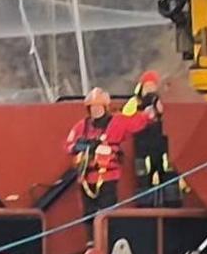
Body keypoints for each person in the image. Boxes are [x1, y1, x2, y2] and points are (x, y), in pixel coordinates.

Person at [63, 87, 156, 239]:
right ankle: (92, 244)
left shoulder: (116, 123)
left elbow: (134, 123)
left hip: (108, 177)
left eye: (98, 106)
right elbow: (68, 146)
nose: (95, 110)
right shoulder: (82, 127)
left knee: (108, 214)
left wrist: (150, 114)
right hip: (86, 180)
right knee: (88, 216)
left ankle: (107, 245)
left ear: (105, 107)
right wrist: (84, 146)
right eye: (92, 107)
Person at [121, 71, 180, 207]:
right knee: (143, 181)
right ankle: (145, 210)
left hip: (164, 147)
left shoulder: (165, 102)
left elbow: (176, 120)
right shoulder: (134, 103)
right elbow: (125, 121)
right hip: (143, 147)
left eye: (152, 86)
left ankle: (173, 209)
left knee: (170, 179)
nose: (149, 89)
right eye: (147, 86)